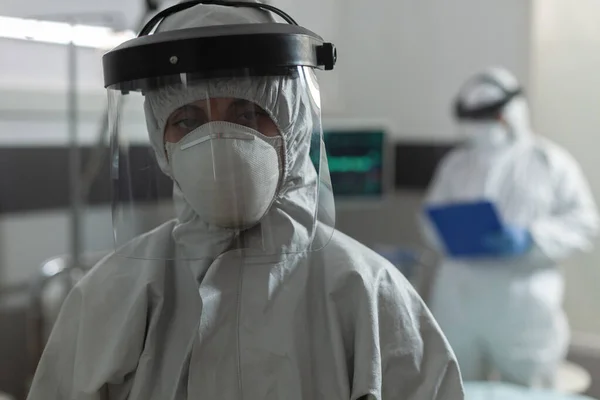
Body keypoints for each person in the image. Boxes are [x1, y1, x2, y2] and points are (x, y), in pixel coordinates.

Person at [27, 1, 463, 399]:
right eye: (187, 119)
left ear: (293, 123)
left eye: (248, 114)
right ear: (161, 141)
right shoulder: (113, 293)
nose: (219, 143)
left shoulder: (368, 292)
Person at [422, 67, 599, 387]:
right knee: (452, 385)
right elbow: (428, 218)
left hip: (522, 309)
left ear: (511, 113)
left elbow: (585, 223)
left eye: (490, 117)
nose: (483, 128)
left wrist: (531, 237)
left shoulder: (549, 162)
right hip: (459, 301)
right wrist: (451, 234)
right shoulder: (457, 164)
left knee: (529, 390)